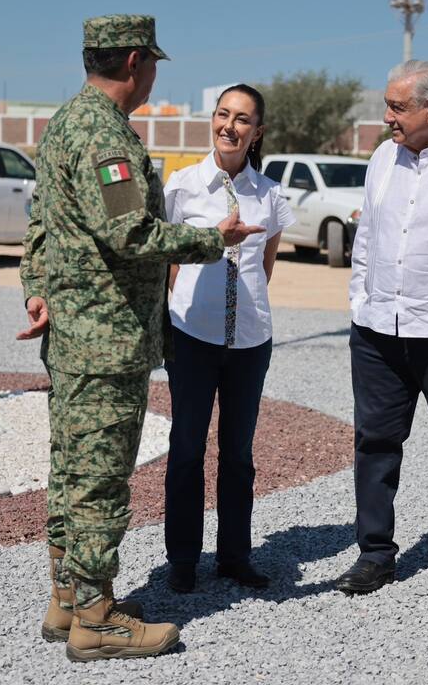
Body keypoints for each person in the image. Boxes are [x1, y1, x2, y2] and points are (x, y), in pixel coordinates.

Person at [17, 15, 264, 663]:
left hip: (73, 333)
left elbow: (39, 222)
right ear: (133, 62)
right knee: (99, 478)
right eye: (152, 62)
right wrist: (215, 240)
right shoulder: (105, 135)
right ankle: (96, 619)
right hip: (107, 337)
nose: (153, 72)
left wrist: (36, 290)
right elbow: (132, 234)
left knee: (70, 470)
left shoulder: (66, 121)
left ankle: (67, 598)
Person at [333, 61, 428, 601]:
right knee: (374, 444)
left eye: (396, 107)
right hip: (377, 333)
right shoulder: (382, 157)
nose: (386, 117)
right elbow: (366, 235)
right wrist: (360, 302)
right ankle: (374, 553)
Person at [161, 84, 294, 593]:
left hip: (250, 343)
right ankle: (182, 560)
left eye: (242, 119)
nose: (229, 126)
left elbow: (265, 265)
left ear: (256, 132)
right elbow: (170, 258)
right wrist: (189, 306)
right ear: (211, 120)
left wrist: (240, 315)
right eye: (222, 114)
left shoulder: (270, 195)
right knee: (187, 448)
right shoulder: (182, 186)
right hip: (192, 337)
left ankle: (235, 556)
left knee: (238, 453)